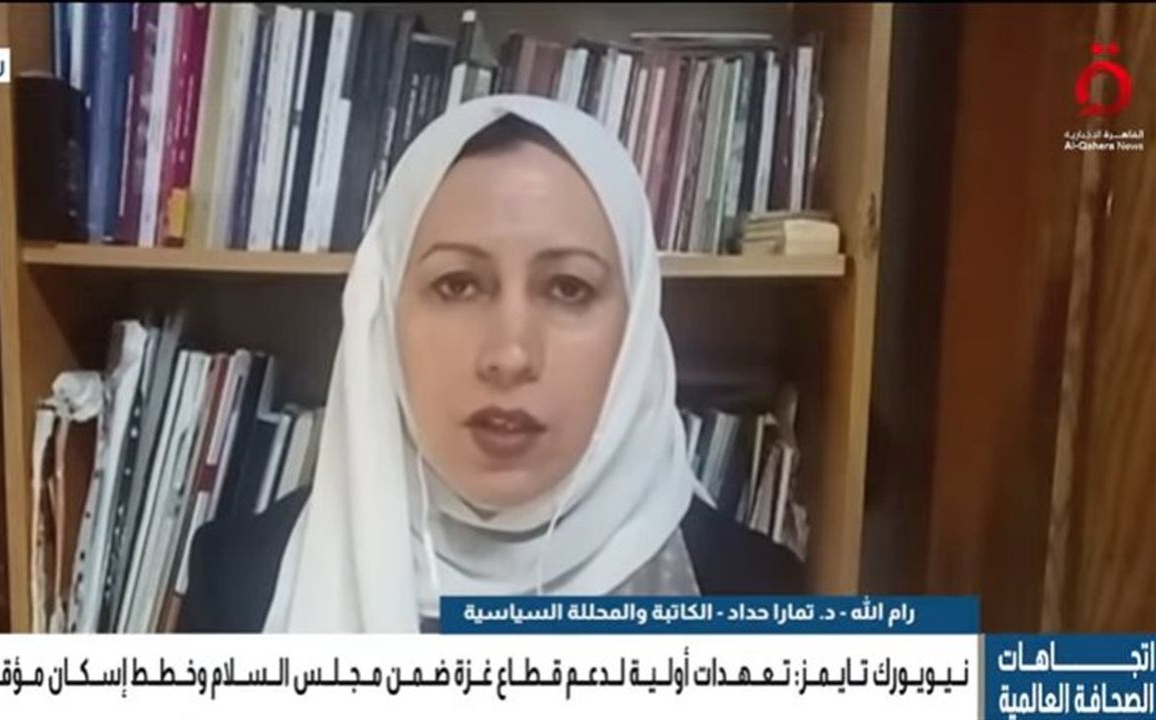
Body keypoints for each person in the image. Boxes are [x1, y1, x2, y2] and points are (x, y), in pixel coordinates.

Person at [179, 95, 802, 633]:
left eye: (568, 288)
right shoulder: (238, 581)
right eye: (456, 285)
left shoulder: (755, 594)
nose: (510, 355)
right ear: (384, 312)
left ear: (635, 326)